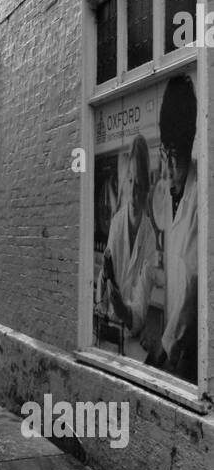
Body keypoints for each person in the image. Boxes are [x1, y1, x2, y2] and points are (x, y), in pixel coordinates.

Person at [147, 76, 198, 381]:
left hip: (191, 352)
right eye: (167, 154)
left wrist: (165, 346)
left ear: (191, 145)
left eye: (177, 157)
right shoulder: (167, 195)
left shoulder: (201, 197)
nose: (169, 168)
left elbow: (194, 285)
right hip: (171, 344)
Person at [97, 134, 156, 343]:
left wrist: (123, 310)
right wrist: (103, 282)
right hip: (108, 327)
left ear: (147, 188)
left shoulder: (150, 239)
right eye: (130, 180)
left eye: (139, 184)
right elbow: (103, 280)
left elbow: (139, 315)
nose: (133, 191)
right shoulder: (116, 223)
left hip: (131, 337)